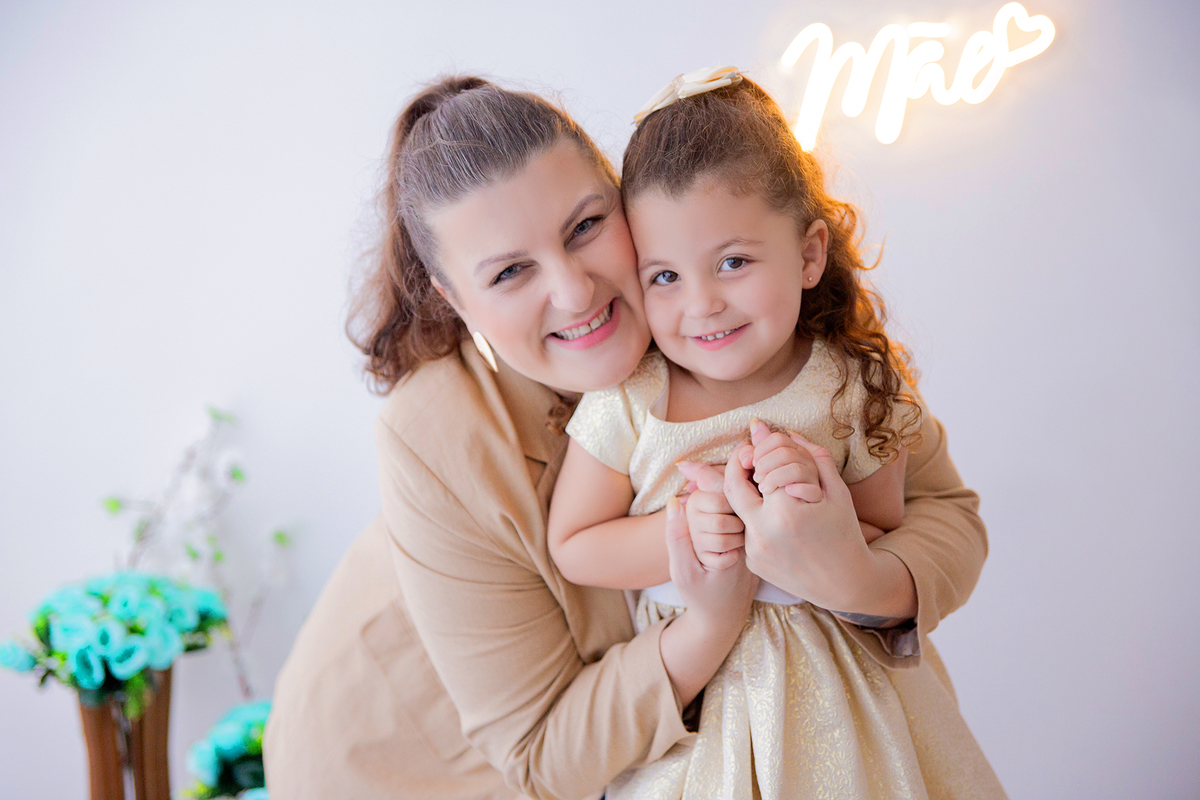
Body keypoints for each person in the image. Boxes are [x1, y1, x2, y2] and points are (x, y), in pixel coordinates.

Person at [264, 75, 992, 800]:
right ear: (456, 300)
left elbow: (943, 508)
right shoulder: (434, 440)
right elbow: (543, 755)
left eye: (585, 227)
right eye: (512, 271)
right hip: (410, 769)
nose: (577, 292)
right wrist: (714, 608)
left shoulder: (729, 308)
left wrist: (858, 580)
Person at [547, 67, 1006, 799]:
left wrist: (819, 514)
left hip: (850, 700)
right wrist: (688, 530)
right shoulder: (632, 398)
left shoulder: (851, 385)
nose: (701, 305)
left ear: (809, 254)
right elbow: (573, 545)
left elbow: (888, 526)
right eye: (663, 276)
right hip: (703, 714)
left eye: (732, 262)